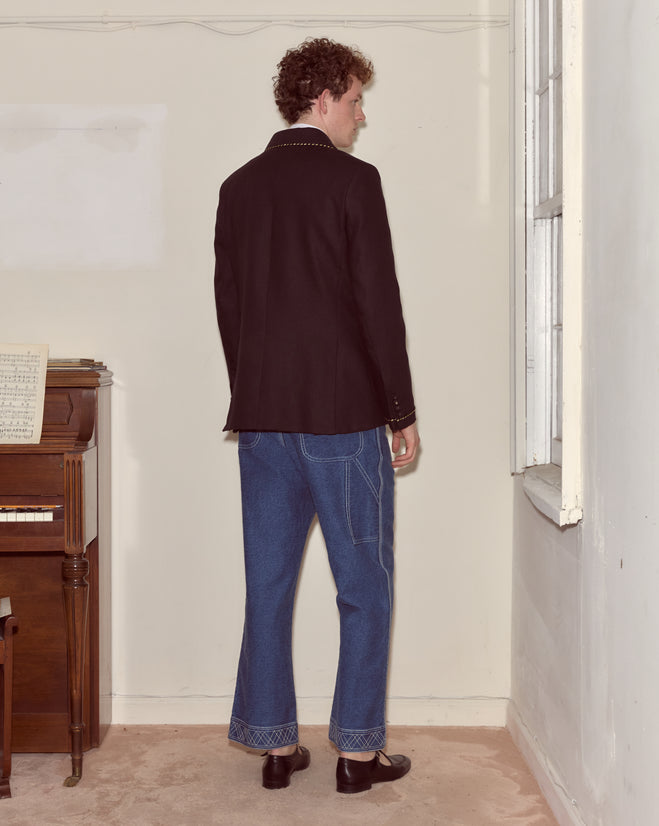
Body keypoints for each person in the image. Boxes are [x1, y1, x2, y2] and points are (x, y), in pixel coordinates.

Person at [213, 37, 420, 794]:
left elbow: (228, 310)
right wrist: (400, 409)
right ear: (324, 96)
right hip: (342, 419)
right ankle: (358, 757)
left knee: (268, 585)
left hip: (263, 421)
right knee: (363, 583)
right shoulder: (354, 182)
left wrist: (259, 389)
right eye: (357, 99)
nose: (361, 117)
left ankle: (274, 749)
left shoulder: (239, 187)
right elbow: (378, 305)